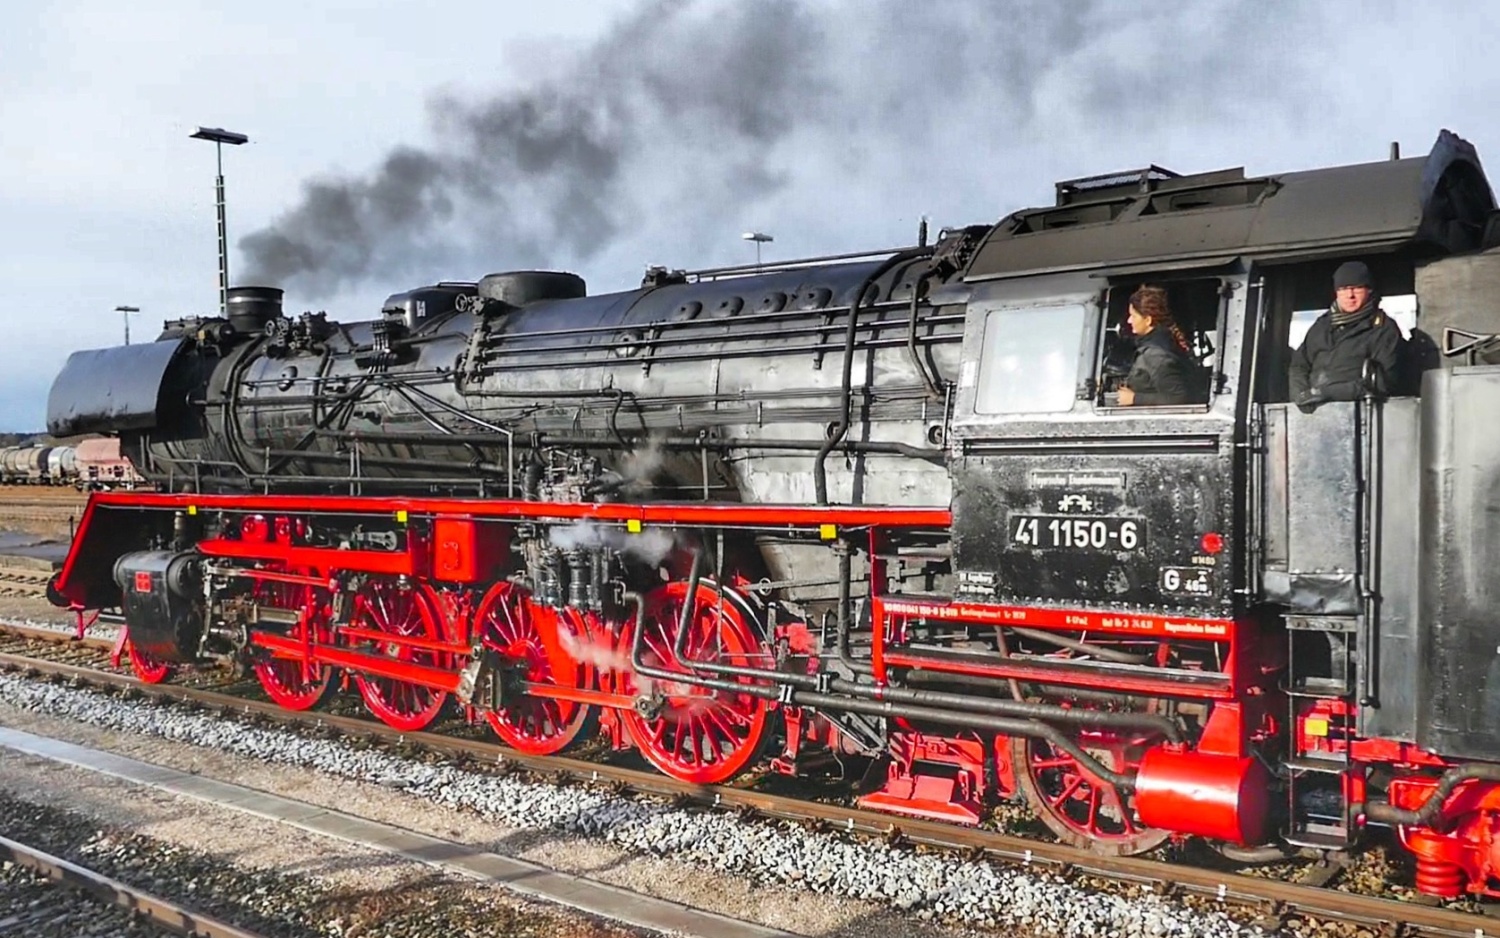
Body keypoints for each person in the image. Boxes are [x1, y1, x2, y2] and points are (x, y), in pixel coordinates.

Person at [1289, 261, 1403, 412]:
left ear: (1368, 290)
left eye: (1356, 288)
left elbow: (1383, 382)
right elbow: (1299, 365)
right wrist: (1301, 395)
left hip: (1360, 413)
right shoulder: (1321, 326)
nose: (1350, 295)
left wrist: (1328, 393)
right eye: (1343, 289)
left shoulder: (1383, 329)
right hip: (1314, 415)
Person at [1117, 285, 1196, 406]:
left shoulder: (1156, 355)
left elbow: (1178, 398)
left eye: (1133, 316)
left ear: (1148, 320)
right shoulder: (1162, 345)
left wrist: (1134, 399)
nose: (1129, 321)